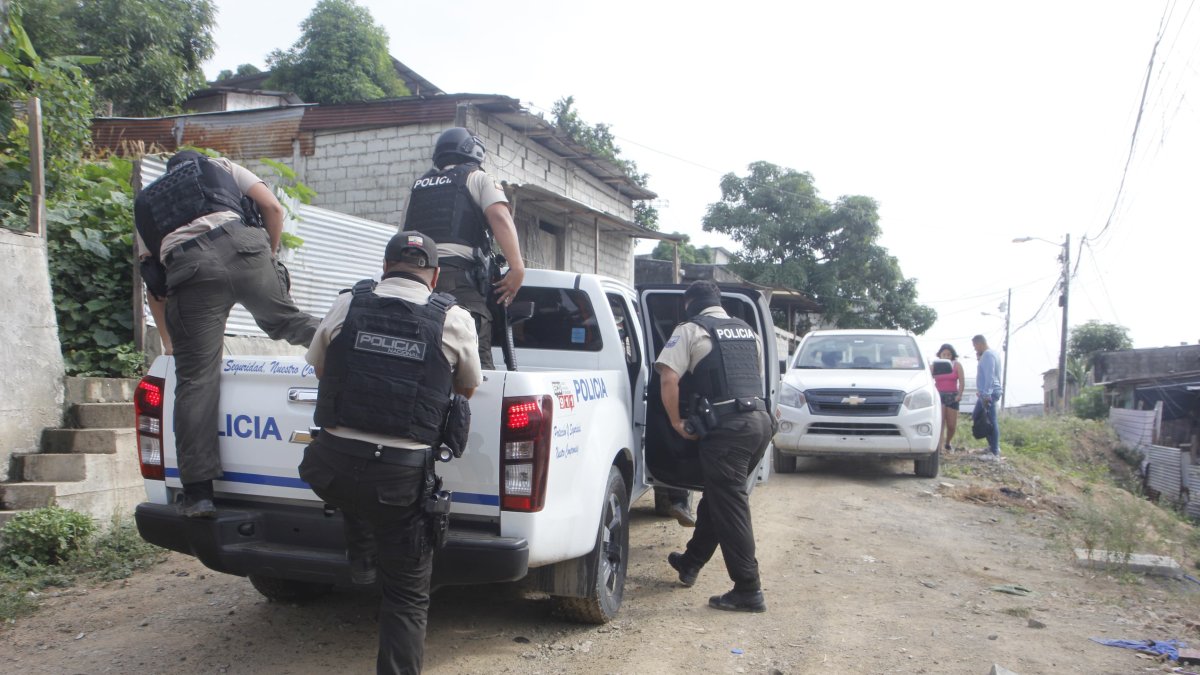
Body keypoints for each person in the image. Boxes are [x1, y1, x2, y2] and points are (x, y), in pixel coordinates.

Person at [299, 231, 481, 675]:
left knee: (355, 487)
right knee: (406, 597)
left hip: (332, 467)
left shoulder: (348, 303)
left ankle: (361, 553)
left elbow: (320, 366)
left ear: (385, 267)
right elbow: (467, 387)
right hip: (398, 481)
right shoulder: (454, 319)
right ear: (435, 276)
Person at [133, 150, 320, 518]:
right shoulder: (219, 166)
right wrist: (269, 255)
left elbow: (153, 281)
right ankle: (354, 348)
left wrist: (171, 343)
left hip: (190, 271)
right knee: (289, 322)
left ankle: (199, 494)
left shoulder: (146, 203)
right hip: (245, 248)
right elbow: (273, 208)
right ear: (195, 163)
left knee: (197, 381)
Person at [656, 280, 774, 613]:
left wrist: (677, 422)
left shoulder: (691, 330)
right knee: (721, 497)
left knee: (730, 504)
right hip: (760, 424)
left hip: (727, 432)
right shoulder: (747, 331)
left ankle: (748, 588)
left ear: (690, 303)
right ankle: (690, 562)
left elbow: (668, 376)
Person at [401, 127, 525, 369]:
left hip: (412, 282)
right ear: (475, 153)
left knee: (417, 358)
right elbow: (500, 217)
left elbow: (402, 237)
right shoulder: (478, 177)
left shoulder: (417, 188)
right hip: (456, 281)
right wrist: (517, 267)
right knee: (475, 362)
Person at [972, 334, 1004, 457]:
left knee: (991, 420)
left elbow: (990, 376)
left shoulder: (988, 355)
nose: (975, 349)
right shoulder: (993, 354)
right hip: (985, 393)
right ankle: (992, 446)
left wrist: (986, 394)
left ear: (980, 343)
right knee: (977, 416)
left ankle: (995, 451)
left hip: (989, 393)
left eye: (975, 346)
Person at [932, 343, 966, 451]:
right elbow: (927, 378)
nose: (946, 356)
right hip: (939, 395)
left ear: (952, 355)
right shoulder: (935, 365)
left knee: (951, 425)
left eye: (948, 354)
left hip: (952, 396)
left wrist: (959, 394)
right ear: (940, 355)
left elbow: (962, 381)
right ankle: (940, 447)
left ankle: (948, 442)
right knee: (940, 422)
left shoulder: (957, 365)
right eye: (944, 354)